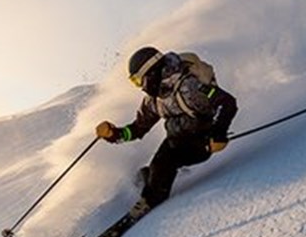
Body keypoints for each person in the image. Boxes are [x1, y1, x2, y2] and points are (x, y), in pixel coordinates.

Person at [96, 47, 238, 220]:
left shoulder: (188, 86)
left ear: (151, 73)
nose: (140, 87)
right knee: (150, 172)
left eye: (138, 81)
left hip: (203, 140)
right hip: (177, 140)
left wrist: (219, 133)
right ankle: (152, 183)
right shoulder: (154, 101)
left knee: (164, 161)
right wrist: (113, 134)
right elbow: (137, 129)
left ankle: (149, 202)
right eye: (135, 82)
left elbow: (226, 102)